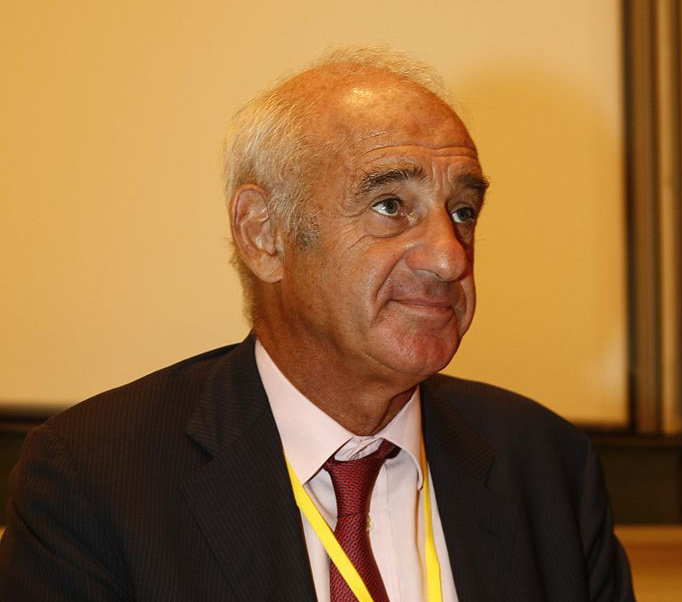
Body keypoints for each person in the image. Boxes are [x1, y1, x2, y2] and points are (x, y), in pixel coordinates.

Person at [0, 48, 635, 601]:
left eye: (463, 211)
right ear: (263, 234)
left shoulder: (546, 466)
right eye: (391, 205)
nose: (450, 257)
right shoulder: (98, 479)